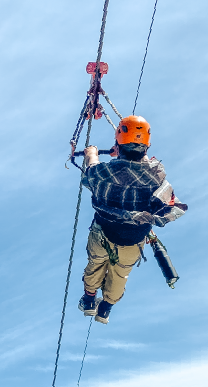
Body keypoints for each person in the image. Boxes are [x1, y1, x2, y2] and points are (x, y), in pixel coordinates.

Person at [78, 114, 187, 323]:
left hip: (103, 232)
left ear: (118, 143)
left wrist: (92, 154)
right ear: (147, 146)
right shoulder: (157, 175)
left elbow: (90, 173)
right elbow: (167, 203)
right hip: (133, 239)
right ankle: (105, 308)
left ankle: (90, 300)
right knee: (120, 274)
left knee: (95, 264)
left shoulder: (104, 172)